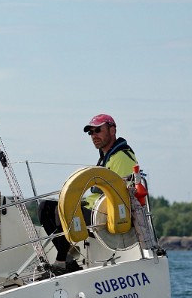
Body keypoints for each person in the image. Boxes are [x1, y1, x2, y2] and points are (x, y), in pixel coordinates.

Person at [39, 113, 138, 271]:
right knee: (46, 207)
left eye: (98, 130)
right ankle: (67, 259)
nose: (94, 135)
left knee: (57, 211)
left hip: (106, 217)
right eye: (90, 132)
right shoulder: (108, 156)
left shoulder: (121, 157)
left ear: (112, 130)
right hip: (93, 210)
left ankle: (62, 261)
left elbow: (122, 197)